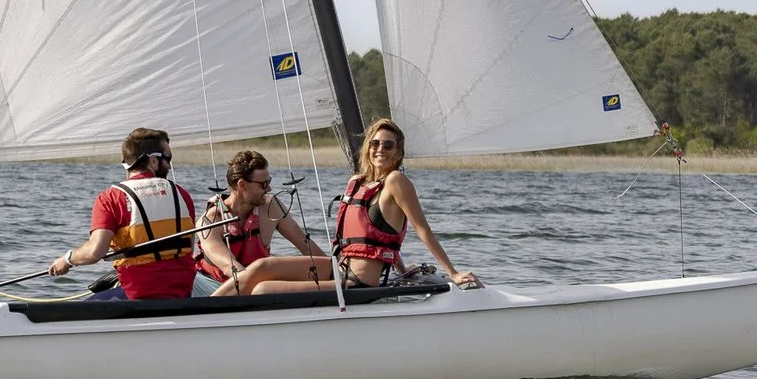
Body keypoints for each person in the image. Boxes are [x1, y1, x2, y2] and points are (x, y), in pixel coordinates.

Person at [212, 118, 479, 296]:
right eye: (375, 143)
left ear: (398, 152)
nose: (380, 149)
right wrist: (401, 269)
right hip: (338, 267)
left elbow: (422, 230)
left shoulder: (397, 181)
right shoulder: (357, 181)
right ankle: (200, 311)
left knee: (262, 290)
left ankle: (209, 317)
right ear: (367, 148)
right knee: (259, 267)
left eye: (388, 145)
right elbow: (380, 232)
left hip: (357, 281)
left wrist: (452, 273)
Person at [47, 127, 197, 300]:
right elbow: (189, 249)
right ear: (153, 161)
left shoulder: (110, 198)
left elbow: (95, 252)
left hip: (138, 294)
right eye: (168, 159)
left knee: (79, 309)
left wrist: (67, 259)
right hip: (182, 292)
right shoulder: (182, 195)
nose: (169, 165)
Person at [192, 149, 327, 296]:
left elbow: (306, 247)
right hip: (213, 288)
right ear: (242, 185)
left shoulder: (271, 207)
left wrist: (336, 271)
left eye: (269, 182)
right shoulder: (209, 222)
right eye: (263, 184)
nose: (269, 188)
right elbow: (231, 267)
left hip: (252, 284)